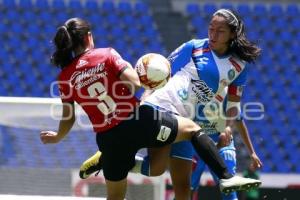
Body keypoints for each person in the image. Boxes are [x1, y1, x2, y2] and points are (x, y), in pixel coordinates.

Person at [39, 17, 260, 200]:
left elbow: (67, 116)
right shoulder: (106, 54)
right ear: (89, 37)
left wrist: (58, 136)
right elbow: (135, 83)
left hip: (107, 137)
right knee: (191, 130)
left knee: (118, 195)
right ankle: (226, 177)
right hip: (137, 120)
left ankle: (105, 158)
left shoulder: (64, 77)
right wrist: (151, 77)